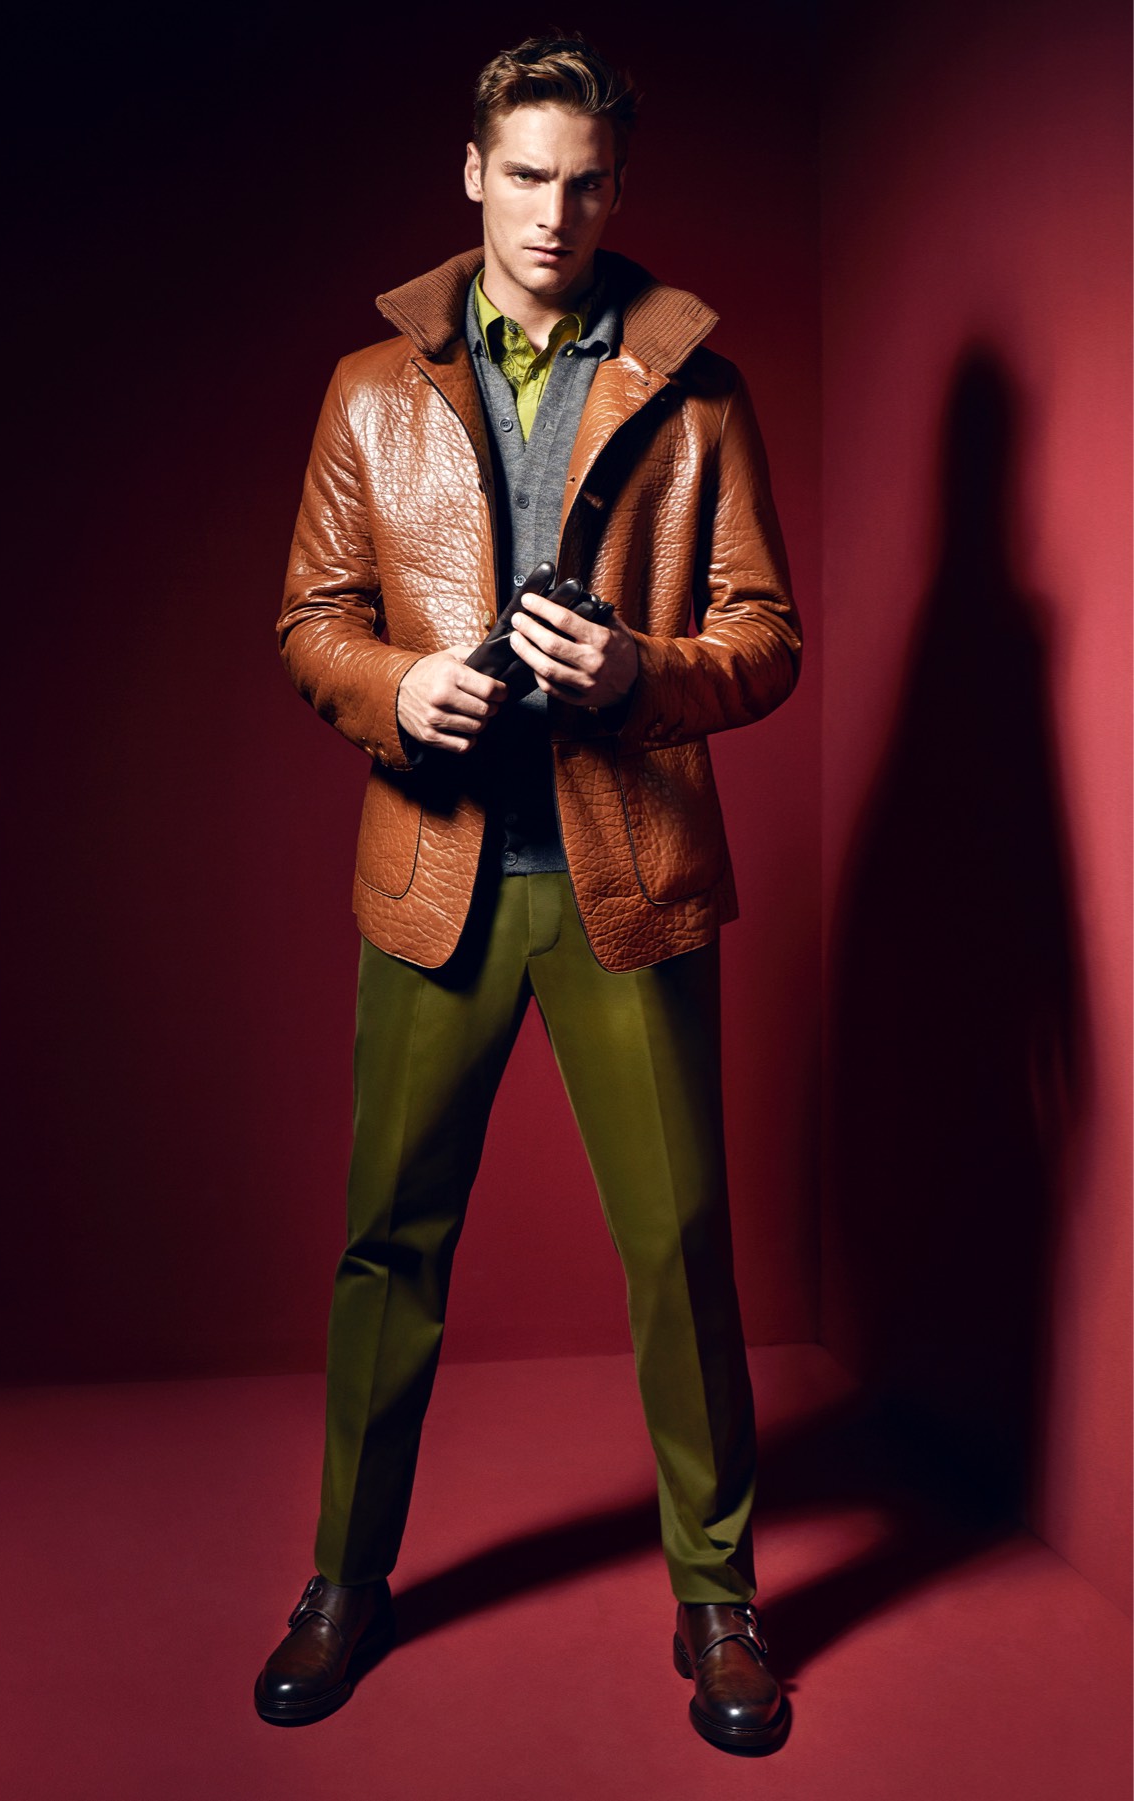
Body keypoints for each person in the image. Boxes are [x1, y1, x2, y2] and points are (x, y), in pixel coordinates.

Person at [255, 34, 801, 1753]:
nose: (554, 211)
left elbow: (766, 637)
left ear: (615, 188)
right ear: (473, 174)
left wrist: (639, 671)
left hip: (626, 878)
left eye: (585, 180)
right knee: (387, 1246)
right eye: (526, 175)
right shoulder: (367, 391)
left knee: (680, 1250)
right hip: (435, 880)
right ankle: (345, 1578)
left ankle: (716, 1596)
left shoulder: (698, 392)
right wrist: (393, 686)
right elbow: (309, 619)